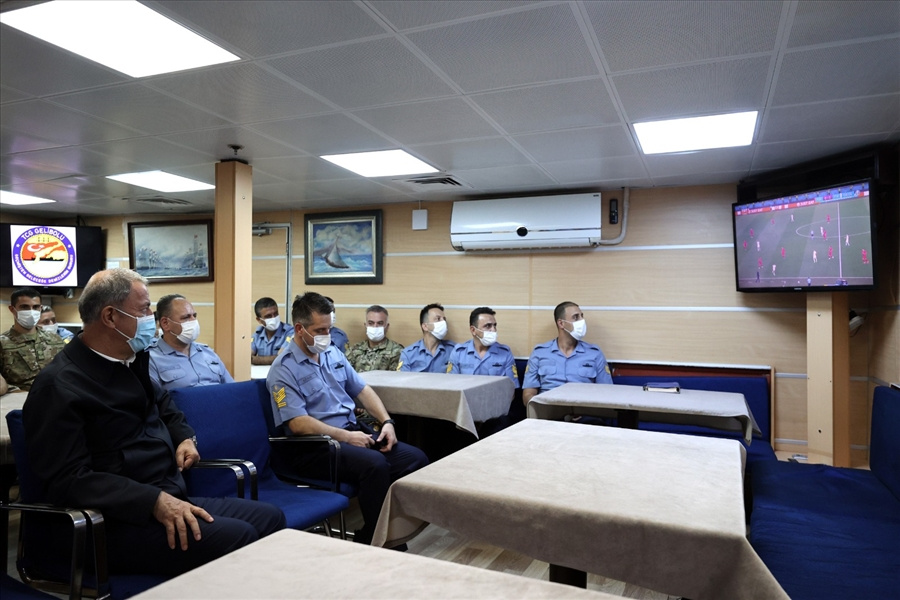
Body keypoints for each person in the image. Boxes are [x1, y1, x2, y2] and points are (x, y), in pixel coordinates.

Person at [22, 268, 284, 577]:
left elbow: (165, 405)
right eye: (145, 309)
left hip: (164, 496)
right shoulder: (59, 386)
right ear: (110, 316)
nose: (152, 318)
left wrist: (184, 437)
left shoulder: (130, 362)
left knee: (270, 519)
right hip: (112, 520)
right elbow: (70, 479)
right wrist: (153, 501)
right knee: (239, 538)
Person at [267, 292, 428, 545]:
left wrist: (387, 422)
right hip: (314, 447)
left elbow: (362, 390)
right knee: (375, 465)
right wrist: (346, 437)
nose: (327, 335)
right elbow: (297, 424)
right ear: (299, 329)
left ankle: (391, 531)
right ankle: (376, 541)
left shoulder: (332, 353)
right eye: (319, 330)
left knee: (415, 459)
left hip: (352, 431)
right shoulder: (283, 369)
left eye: (329, 329)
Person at [522, 301, 613, 405]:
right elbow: (528, 395)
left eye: (582, 316)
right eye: (576, 317)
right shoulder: (539, 353)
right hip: (548, 410)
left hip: (584, 410)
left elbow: (607, 393)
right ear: (561, 323)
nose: (582, 321)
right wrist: (544, 408)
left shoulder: (594, 353)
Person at [149, 294, 235, 392]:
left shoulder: (208, 353)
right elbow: (154, 399)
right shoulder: (152, 359)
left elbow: (232, 390)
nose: (193, 321)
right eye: (186, 317)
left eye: (194, 316)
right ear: (165, 323)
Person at [1, 288, 65, 390]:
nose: (31, 311)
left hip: (55, 395)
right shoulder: (3, 343)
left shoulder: (55, 340)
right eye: (24, 307)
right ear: (12, 309)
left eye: (35, 307)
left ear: (40, 308)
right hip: (20, 397)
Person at [447, 307, 518, 388]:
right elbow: (451, 386)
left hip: (495, 396)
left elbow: (511, 389)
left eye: (494, 325)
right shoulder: (459, 353)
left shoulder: (505, 353)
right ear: (473, 330)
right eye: (488, 326)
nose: (493, 330)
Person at [398, 303, 455, 373]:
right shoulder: (408, 354)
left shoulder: (453, 350)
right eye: (438, 319)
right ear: (425, 326)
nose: (443, 323)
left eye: (444, 320)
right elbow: (402, 378)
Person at [345, 305, 404, 372]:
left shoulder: (396, 351)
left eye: (380, 323)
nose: (375, 326)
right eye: (371, 323)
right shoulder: (354, 350)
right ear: (365, 325)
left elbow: (396, 377)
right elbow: (344, 373)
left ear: (387, 327)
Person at [250, 297, 292, 365]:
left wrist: (255, 360)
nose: (274, 318)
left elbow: (282, 358)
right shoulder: (257, 335)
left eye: (276, 314)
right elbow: (247, 357)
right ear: (259, 320)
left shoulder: (290, 332)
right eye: (268, 316)